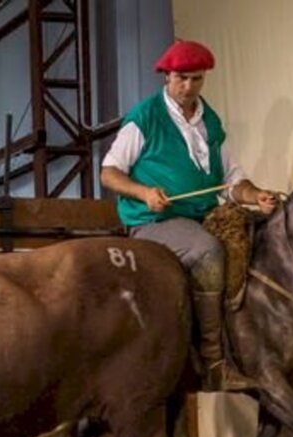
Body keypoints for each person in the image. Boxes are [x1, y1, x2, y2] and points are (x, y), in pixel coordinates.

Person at [100, 39, 280, 392]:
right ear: (166, 76)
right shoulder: (145, 117)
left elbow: (233, 181)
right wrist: (144, 193)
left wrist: (254, 196)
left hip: (202, 217)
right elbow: (109, 172)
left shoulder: (209, 120)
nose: (188, 87)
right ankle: (214, 363)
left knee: (264, 240)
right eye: (181, 78)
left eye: (196, 79)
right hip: (153, 223)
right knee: (208, 251)